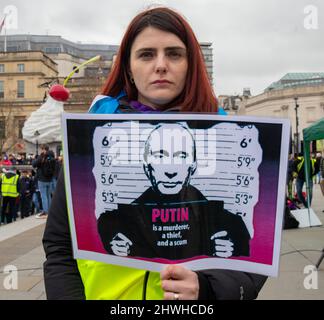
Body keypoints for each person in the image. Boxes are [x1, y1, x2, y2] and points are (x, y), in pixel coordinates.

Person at [43, 7, 267, 300]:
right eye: (146, 54)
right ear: (128, 69)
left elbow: (259, 252)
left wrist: (211, 289)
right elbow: (60, 247)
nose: (161, 65)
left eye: (174, 54)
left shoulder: (227, 137)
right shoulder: (88, 141)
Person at [98, 122, 250, 259]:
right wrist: (114, 247)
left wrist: (234, 250)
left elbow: (251, 270)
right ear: (146, 166)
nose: (170, 171)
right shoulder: (114, 224)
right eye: (160, 155)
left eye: (181, 156)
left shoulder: (230, 225)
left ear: (193, 166)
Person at [32, 144, 56, 218]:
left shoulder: (42, 156)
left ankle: (45, 212)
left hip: (42, 179)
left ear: (43, 149)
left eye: (41, 149)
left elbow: (34, 164)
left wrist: (34, 158)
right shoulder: (52, 156)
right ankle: (50, 211)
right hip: (50, 179)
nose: (41, 151)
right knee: (48, 195)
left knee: (44, 196)